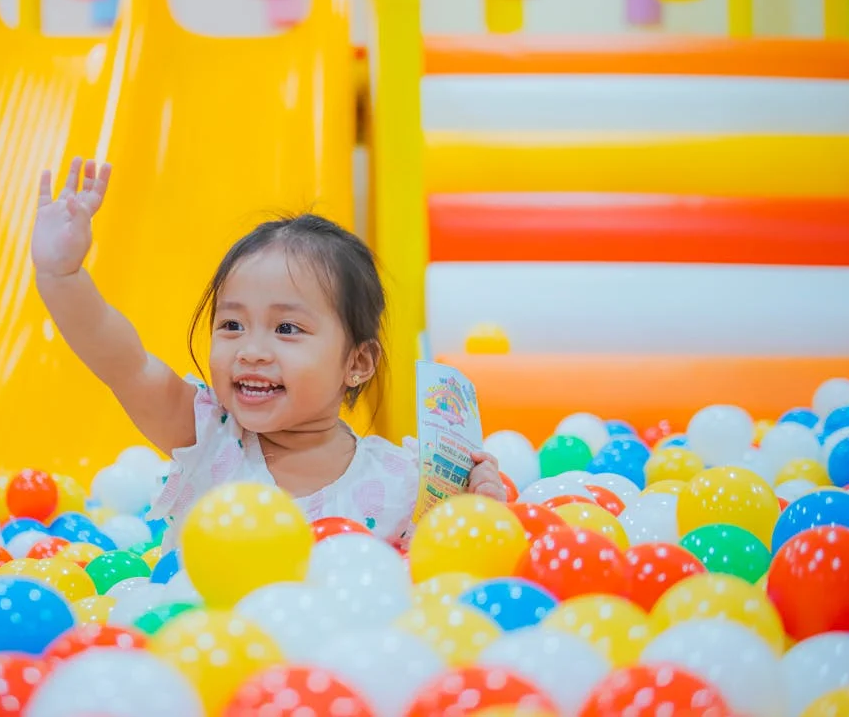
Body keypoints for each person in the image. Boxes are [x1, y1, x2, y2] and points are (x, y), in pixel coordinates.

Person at [33, 158, 506, 550]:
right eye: (232, 325)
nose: (252, 351)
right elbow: (123, 361)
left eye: (286, 328)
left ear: (357, 362)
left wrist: (476, 510)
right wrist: (62, 275)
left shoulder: (404, 483)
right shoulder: (207, 434)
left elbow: (444, 572)